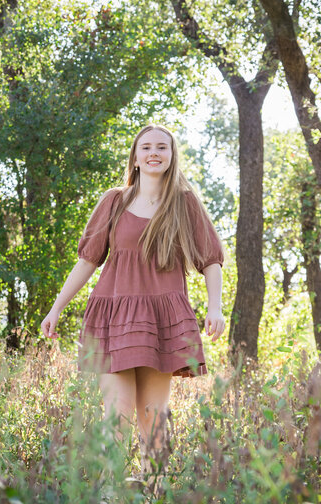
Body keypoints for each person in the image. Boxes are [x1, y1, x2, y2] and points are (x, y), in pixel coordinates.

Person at [40, 124, 225, 485]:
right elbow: (88, 260)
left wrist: (215, 307)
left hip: (161, 317)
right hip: (114, 314)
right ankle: (110, 498)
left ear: (171, 157)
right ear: (136, 158)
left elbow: (212, 260)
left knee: (153, 416)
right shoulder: (115, 200)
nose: (154, 152)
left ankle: (153, 496)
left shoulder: (184, 203)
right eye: (146, 148)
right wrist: (56, 308)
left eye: (162, 147)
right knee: (117, 413)